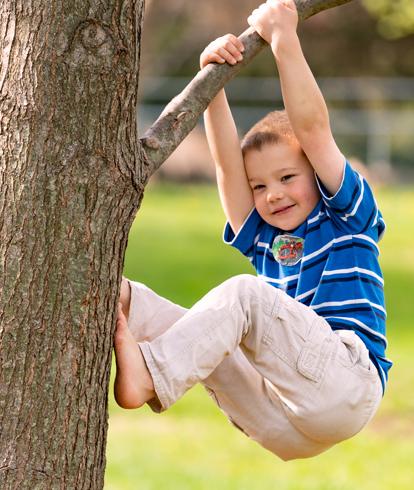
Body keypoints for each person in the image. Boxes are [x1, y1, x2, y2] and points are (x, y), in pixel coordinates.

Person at [113, 0, 391, 461]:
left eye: (287, 178)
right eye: (260, 186)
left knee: (244, 296)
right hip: (280, 420)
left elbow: (313, 129)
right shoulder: (266, 236)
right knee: (142, 304)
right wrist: (213, 87)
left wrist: (285, 38)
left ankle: (152, 373)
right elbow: (227, 167)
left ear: (315, 175)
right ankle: (118, 309)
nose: (273, 194)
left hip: (344, 386)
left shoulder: (347, 213)